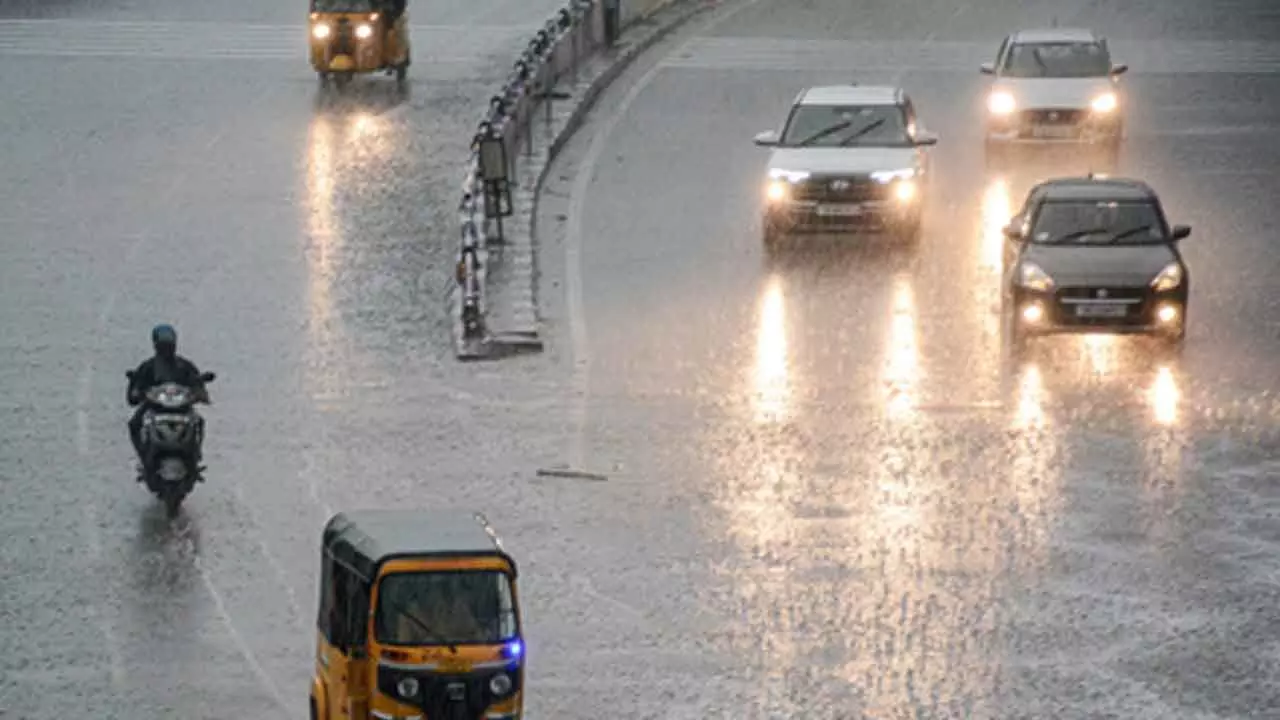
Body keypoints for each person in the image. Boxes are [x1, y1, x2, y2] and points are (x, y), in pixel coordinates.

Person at [126, 324, 208, 475]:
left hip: (182, 406)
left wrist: (199, 393)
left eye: (169, 343)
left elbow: (196, 382)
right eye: (163, 344)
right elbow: (136, 386)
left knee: (199, 422)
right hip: (155, 406)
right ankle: (144, 456)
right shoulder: (148, 367)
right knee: (134, 424)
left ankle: (196, 454)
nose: (166, 347)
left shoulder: (184, 365)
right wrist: (137, 391)